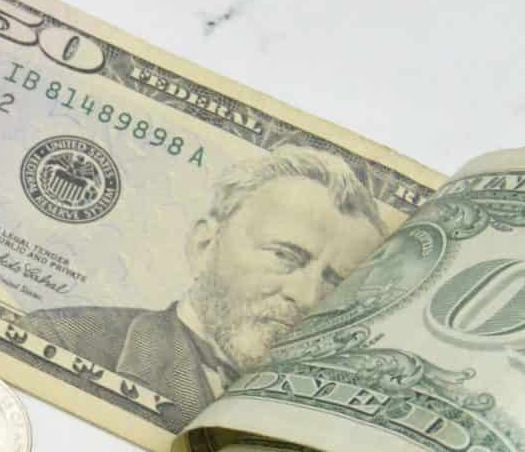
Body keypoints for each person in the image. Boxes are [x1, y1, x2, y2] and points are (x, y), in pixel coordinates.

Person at [25, 146, 386, 427]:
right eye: (285, 256)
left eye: (335, 283)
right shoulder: (60, 338)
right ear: (204, 245)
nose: (307, 297)